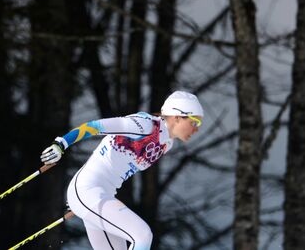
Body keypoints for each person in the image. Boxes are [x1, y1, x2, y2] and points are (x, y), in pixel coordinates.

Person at [40, 90, 204, 250]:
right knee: (142, 235)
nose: (197, 129)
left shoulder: (166, 144)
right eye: (194, 122)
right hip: (87, 190)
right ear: (177, 116)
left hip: (101, 196)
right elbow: (96, 126)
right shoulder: (144, 126)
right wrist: (61, 144)